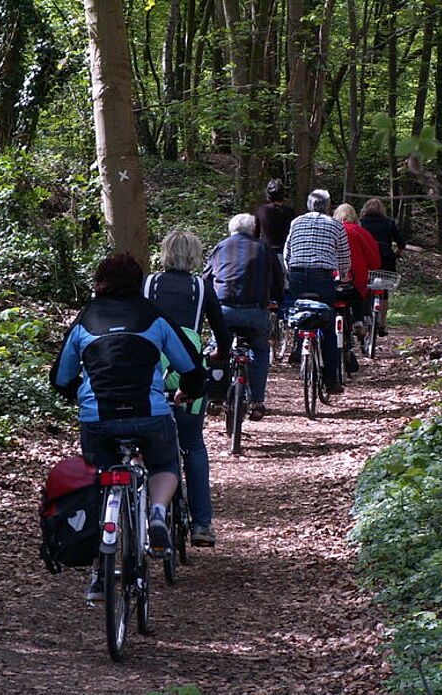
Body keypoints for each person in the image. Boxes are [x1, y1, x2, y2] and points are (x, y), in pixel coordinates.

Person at [50, 253, 206, 602]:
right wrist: (186, 391)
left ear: (98, 282)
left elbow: (59, 378)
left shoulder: (85, 319)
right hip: (149, 413)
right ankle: (156, 512)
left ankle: (97, 576)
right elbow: (191, 368)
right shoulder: (153, 316)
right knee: (165, 464)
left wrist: (85, 394)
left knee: (96, 483)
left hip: (98, 418)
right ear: (139, 283)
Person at [144, 231, 232, 547]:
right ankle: (202, 524)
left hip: (151, 372)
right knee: (193, 444)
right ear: (196, 256)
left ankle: (145, 511)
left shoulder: (147, 284)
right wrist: (220, 353)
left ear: (165, 253)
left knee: (147, 442)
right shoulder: (200, 287)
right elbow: (222, 331)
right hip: (188, 371)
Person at [202, 213, 283, 421]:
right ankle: (257, 402)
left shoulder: (220, 247)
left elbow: (206, 279)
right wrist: (275, 300)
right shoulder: (265, 249)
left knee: (217, 347)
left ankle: (216, 396)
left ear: (231, 230)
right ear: (253, 230)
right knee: (260, 349)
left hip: (224, 311)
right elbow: (278, 281)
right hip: (255, 312)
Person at [283, 189, 351, 395]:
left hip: (297, 275)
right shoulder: (335, 224)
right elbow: (344, 257)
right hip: (322, 276)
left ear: (308, 205)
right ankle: (331, 380)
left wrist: (291, 272)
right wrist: (344, 274)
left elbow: (288, 253)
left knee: (300, 313)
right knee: (328, 324)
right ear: (328, 206)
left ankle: (298, 347)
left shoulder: (296, 222)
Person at [332, 203, 381, 342]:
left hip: (334, 276)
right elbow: (374, 259)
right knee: (358, 294)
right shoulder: (360, 232)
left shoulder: (331, 231)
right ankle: (358, 320)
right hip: (356, 277)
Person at [359, 197, 406, 336]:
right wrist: (397, 253)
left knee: (366, 288)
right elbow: (401, 243)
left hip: (367, 258)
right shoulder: (389, 223)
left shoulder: (361, 223)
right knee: (384, 291)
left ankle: (365, 317)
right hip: (386, 258)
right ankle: (382, 324)